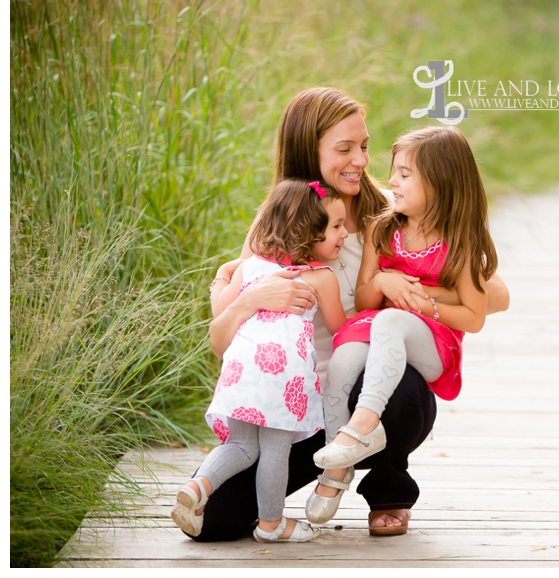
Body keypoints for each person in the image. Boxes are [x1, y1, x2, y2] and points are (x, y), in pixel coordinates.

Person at [192, 87, 509, 541]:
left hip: (371, 393)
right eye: (344, 149)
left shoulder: (389, 208)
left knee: (399, 374)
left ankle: (389, 490)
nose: (361, 161)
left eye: (363, 146)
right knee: (215, 524)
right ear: (309, 152)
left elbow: (495, 295)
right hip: (294, 407)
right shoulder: (273, 227)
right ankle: (284, 477)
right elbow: (223, 342)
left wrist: (396, 287)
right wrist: (247, 298)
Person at [308, 127, 496, 534]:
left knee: (392, 320)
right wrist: (381, 284)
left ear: (441, 181)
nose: (391, 181)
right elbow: (363, 299)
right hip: (380, 327)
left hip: (434, 342)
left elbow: (474, 316)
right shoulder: (383, 229)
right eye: (394, 171)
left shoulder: (460, 242)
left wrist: (424, 306)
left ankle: (363, 425)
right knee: (345, 357)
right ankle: (337, 466)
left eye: (405, 174)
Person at [171, 179, 348, 543]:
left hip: (241, 370)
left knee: (240, 446)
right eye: (336, 226)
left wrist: (223, 272)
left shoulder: (250, 266)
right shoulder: (321, 277)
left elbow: (221, 311)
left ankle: (199, 485)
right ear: (309, 233)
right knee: (274, 450)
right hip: (284, 376)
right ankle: (271, 525)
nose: (343, 233)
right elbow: (339, 329)